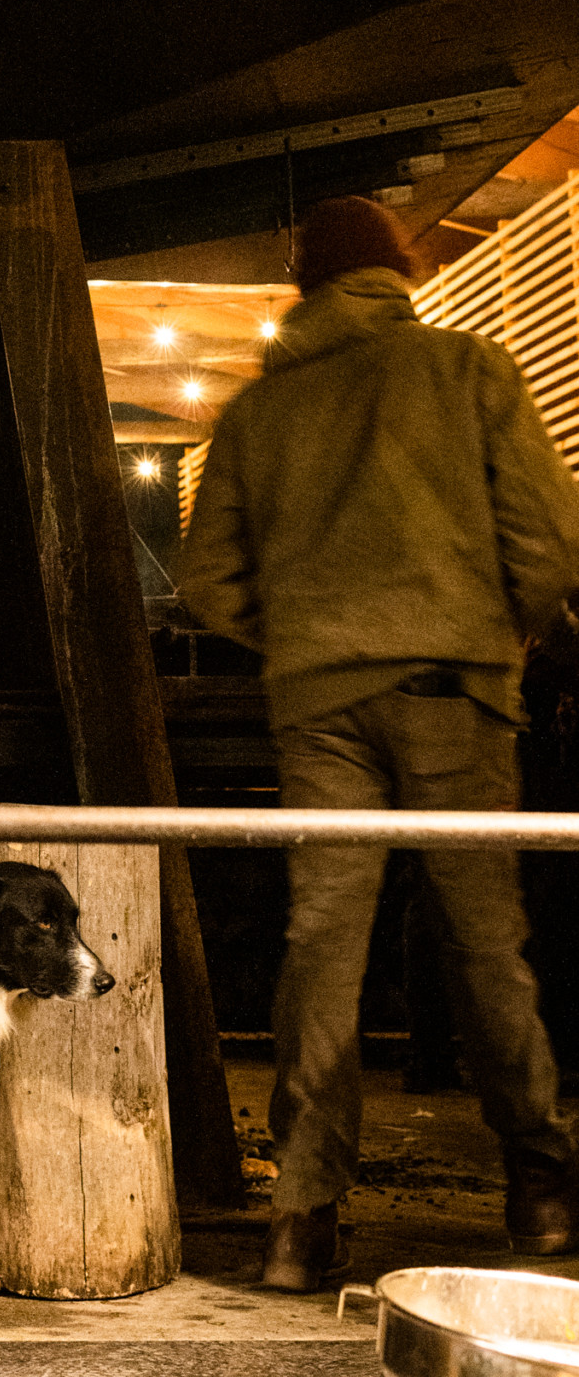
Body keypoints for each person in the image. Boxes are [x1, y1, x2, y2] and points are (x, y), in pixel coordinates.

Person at [178, 195, 579, 1291]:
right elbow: (549, 542)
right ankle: (540, 1186)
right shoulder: (469, 369)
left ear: (303, 285)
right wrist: (504, 626)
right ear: (393, 274)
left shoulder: (256, 413)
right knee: (480, 940)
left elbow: (205, 580)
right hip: (455, 686)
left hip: (318, 705)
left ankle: (299, 1221)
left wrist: (303, 638)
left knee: (321, 948)